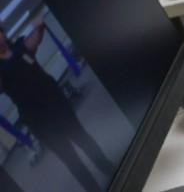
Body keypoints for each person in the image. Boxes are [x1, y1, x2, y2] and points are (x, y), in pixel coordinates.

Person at [0, 12, 112, 192]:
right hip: (39, 120)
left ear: (3, 33)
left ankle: (106, 167)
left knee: (82, 137)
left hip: (56, 103)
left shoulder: (21, 46)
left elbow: (34, 41)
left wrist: (39, 26)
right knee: (70, 158)